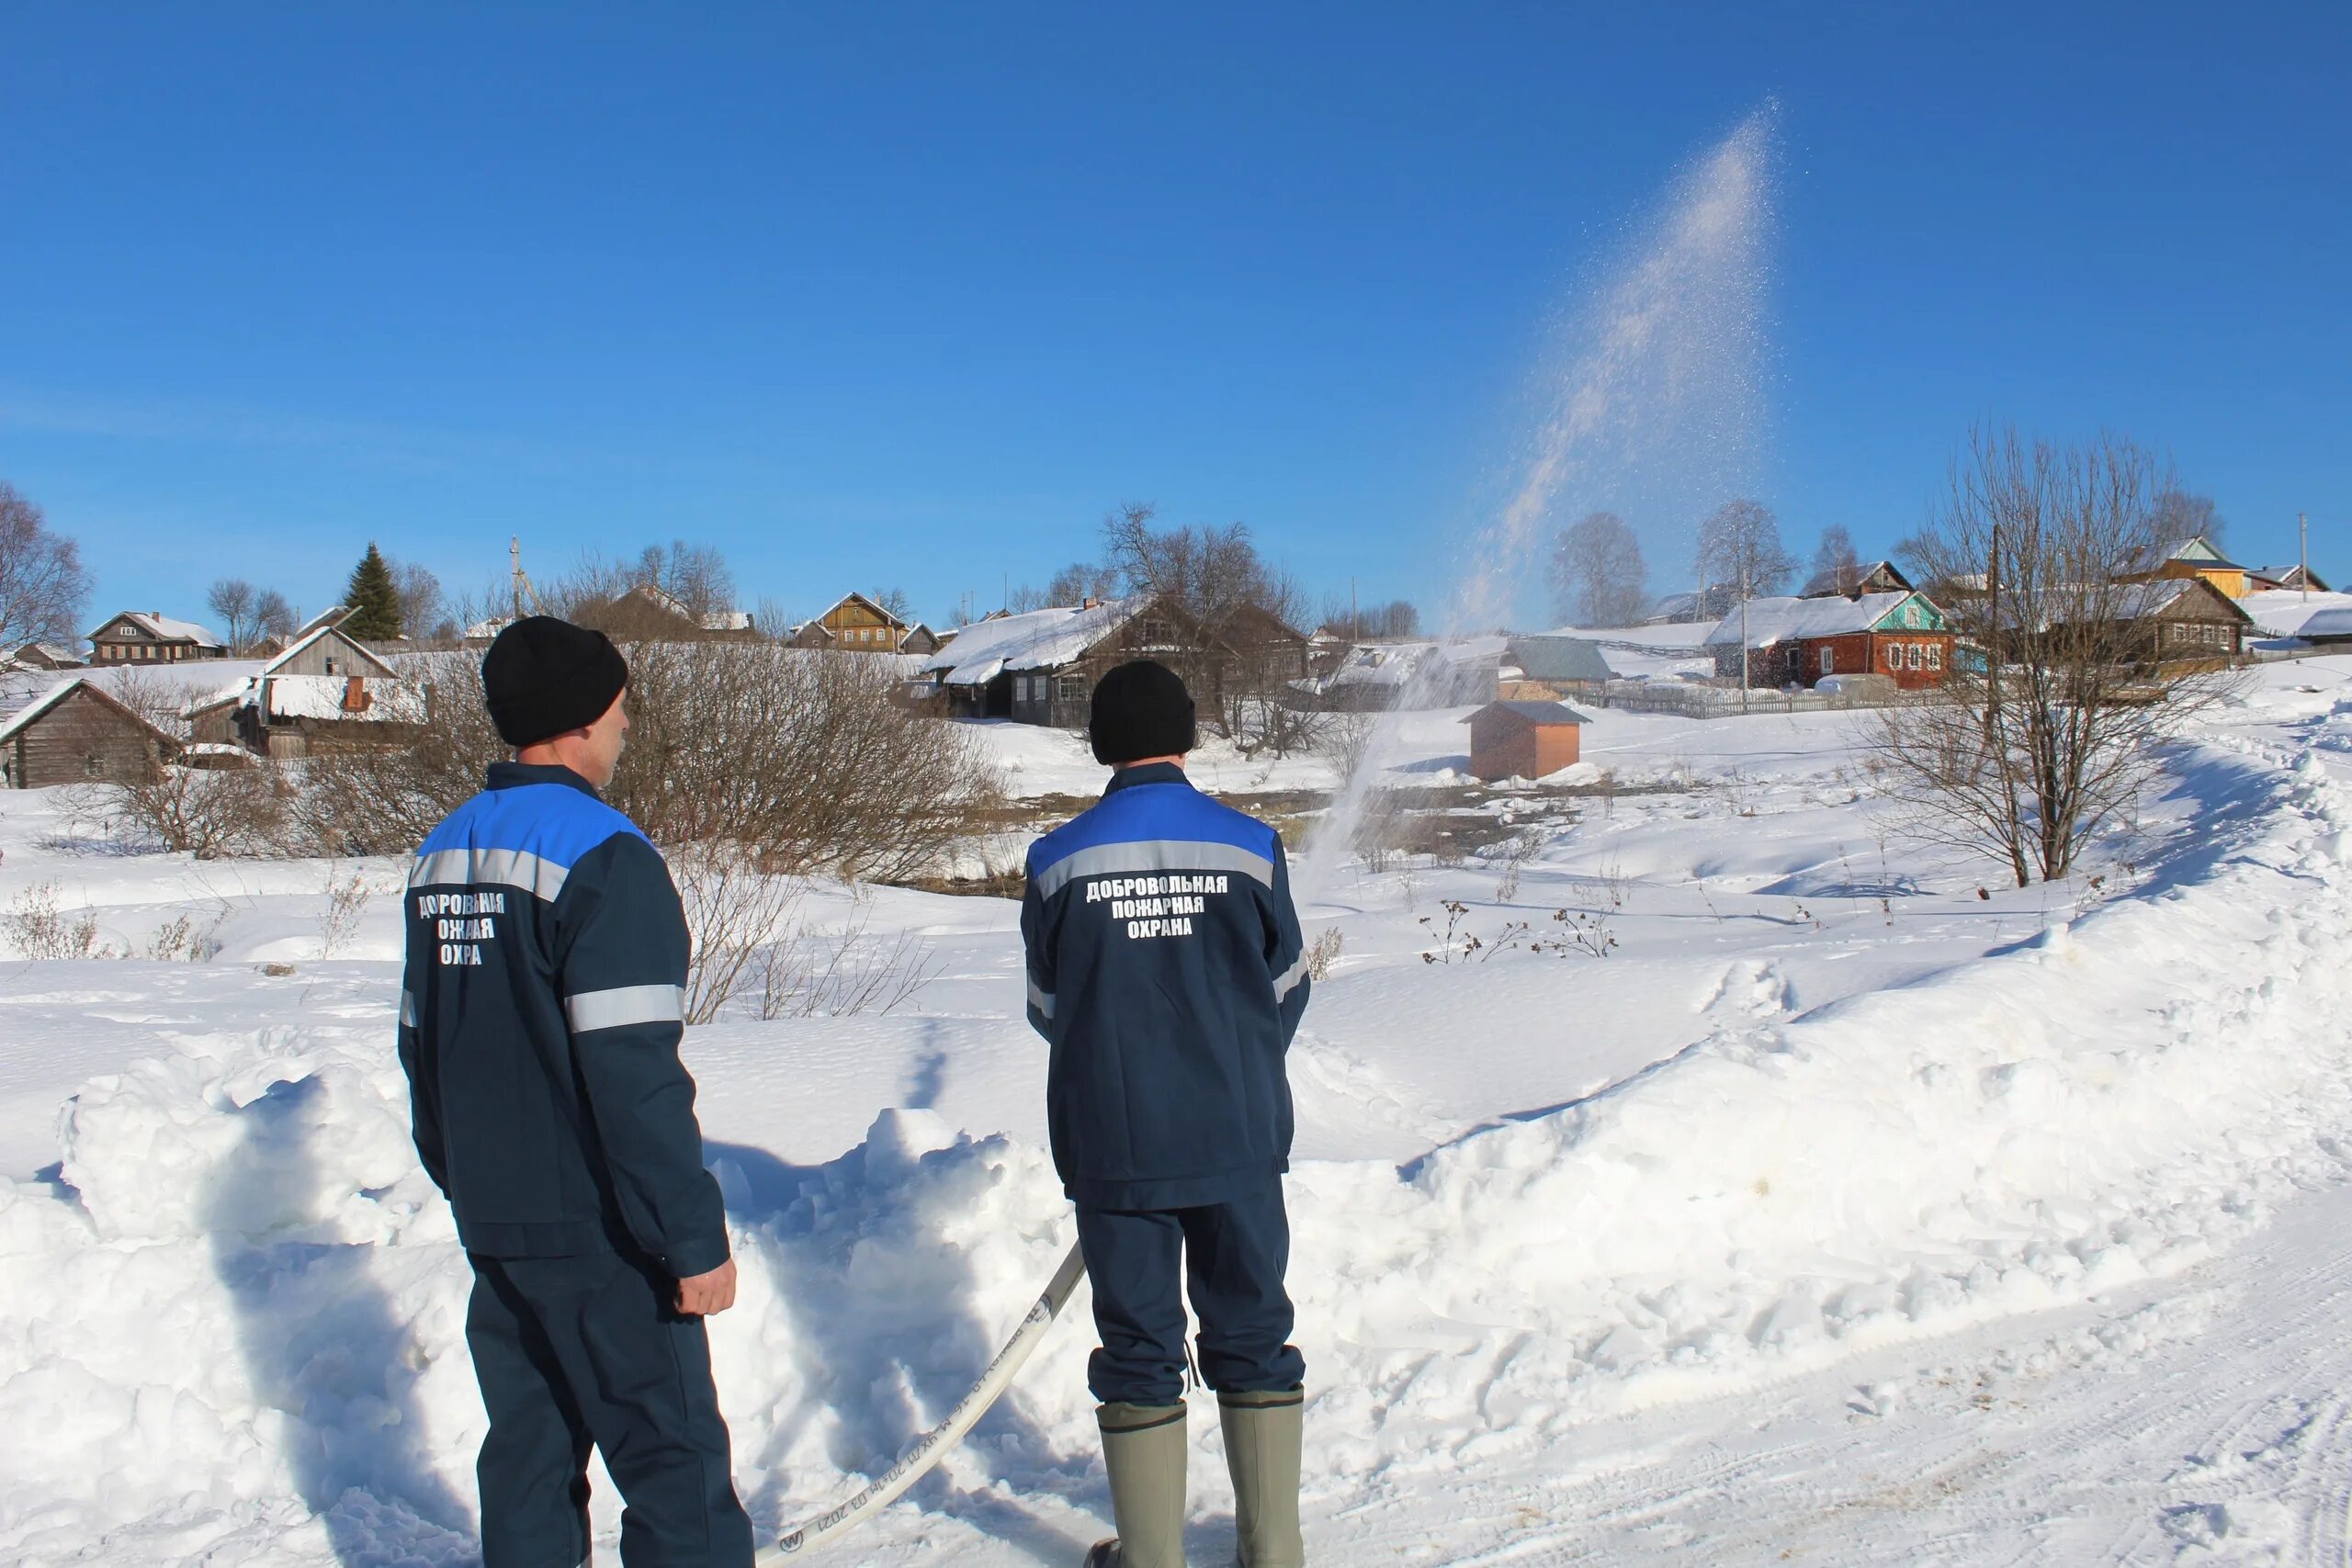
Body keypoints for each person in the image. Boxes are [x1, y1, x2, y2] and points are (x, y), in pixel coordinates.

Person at [398, 615, 752, 1568]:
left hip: (496, 1220)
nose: (626, 725)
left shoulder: (442, 851)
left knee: (527, 1465)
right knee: (677, 1476)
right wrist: (687, 1236)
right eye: (619, 706)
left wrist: (465, 1180)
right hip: (602, 1236)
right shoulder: (603, 855)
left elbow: (419, 1047)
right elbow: (632, 1073)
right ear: (581, 720)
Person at [1021, 660, 1313, 1568]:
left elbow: (1047, 1009)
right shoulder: (1249, 844)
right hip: (1236, 1141)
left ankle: (1149, 1559)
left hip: (1115, 1151)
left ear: (1100, 744)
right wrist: (1231, 1072)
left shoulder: (1055, 858)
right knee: (1252, 1330)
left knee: (1139, 1343)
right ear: (1187, 735)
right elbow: (1286, 990)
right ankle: (1274, 1554)